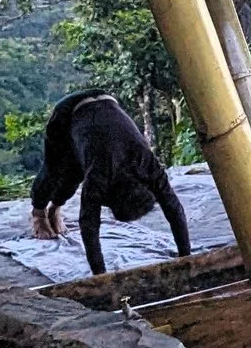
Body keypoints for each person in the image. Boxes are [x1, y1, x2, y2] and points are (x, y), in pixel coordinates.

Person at [30, 90, 190, 277]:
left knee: (75, 173)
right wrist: (100, 275)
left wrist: (185, 257)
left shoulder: (147, 163)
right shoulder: (101, 173)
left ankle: (55, 209)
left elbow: (173, 207)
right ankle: (39, 214)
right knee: (56, 172)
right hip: (66, 114)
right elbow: (88, 222)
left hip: (106, 105)